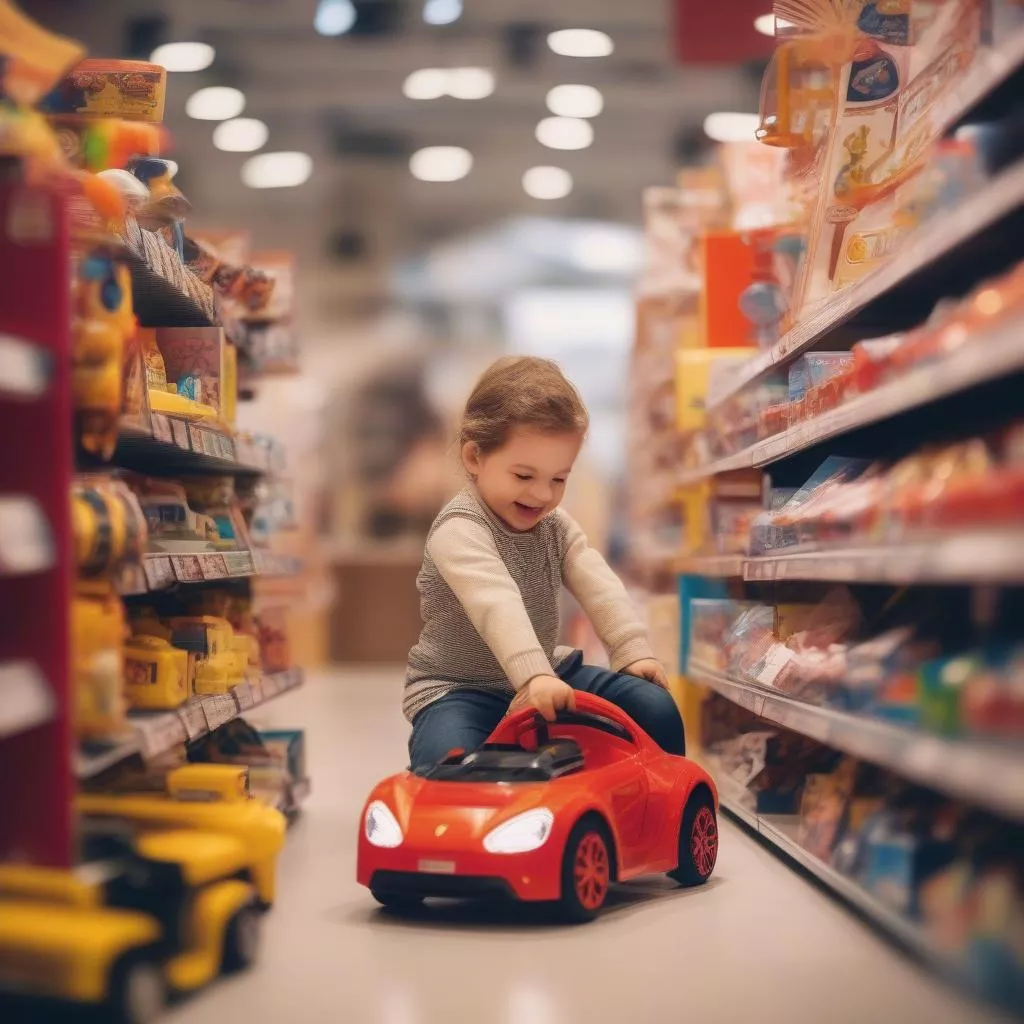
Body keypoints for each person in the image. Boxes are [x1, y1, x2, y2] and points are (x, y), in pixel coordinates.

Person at [405, 355, 685, 771]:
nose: (541, 494)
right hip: (459, 689)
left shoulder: (554, 526)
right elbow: (495, 602)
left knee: (654, 707)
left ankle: (654, 797)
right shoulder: (459, 529)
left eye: (558, 479)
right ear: (474, 458)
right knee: (450, 761)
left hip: (547, 673)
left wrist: (630, 649)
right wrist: (532, 675)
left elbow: (597, 581)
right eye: (523, 476)